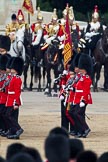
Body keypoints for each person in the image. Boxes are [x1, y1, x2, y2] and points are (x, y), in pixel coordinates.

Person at [68, 54, 93, 138]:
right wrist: (71, 89)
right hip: (77, 98)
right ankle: (80, 130)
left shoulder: (86, 78)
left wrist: (83, 100)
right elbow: (77, 88)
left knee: (77, 114)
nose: (80, 70)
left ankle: (85, 129)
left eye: (81, 69)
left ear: (85, 69)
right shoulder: (81, 77)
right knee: (75, 113)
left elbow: (86, 91)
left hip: (83, 99)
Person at [4, 57, 24, 139]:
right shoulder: (12, 78)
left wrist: (16, 103)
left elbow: (17, 92)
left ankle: (18, 129)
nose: (11, 69)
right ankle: (14, 130)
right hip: (9, 99)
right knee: (8, 115)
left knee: (8, 115)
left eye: (13, 68)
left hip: (13, 100)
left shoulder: (17, 79)